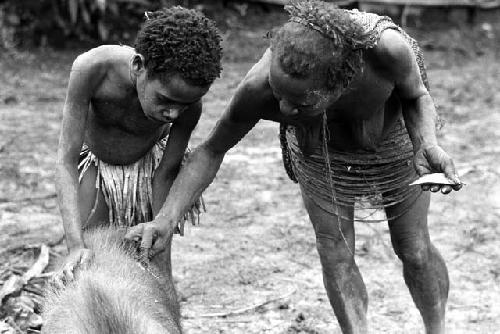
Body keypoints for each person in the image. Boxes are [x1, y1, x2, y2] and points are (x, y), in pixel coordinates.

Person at [126, 1, 462, 333]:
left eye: (299, 101)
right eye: (278, 93)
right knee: (334, 250)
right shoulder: (259, 87)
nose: (283, 108)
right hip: (319, 149)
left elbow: (416, 96)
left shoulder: (387, 49)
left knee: (413, 247)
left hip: (392, 136)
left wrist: (427, 144)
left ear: (339, 85)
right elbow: (212, 150)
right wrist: (165, 220)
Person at [54, 5, 222, 313]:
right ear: (138, 66)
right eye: (165, 101)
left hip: (151, 171)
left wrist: (160, 227)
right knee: (87, 263)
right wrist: (74, 244)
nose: (172, 114)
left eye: (183, 106)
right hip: (96, 167)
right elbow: (66, 160)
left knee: (154, 272)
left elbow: (167, 171)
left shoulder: (189, 106)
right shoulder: (91, 70)